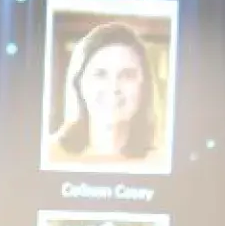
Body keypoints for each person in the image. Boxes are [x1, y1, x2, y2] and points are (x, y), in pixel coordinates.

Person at [45, 21, 160, 167]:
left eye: (127, 75)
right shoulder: (50, 155)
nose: (113, 87)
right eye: (100, 74)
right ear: (78, 84)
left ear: (144, 86)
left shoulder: (160, 161)